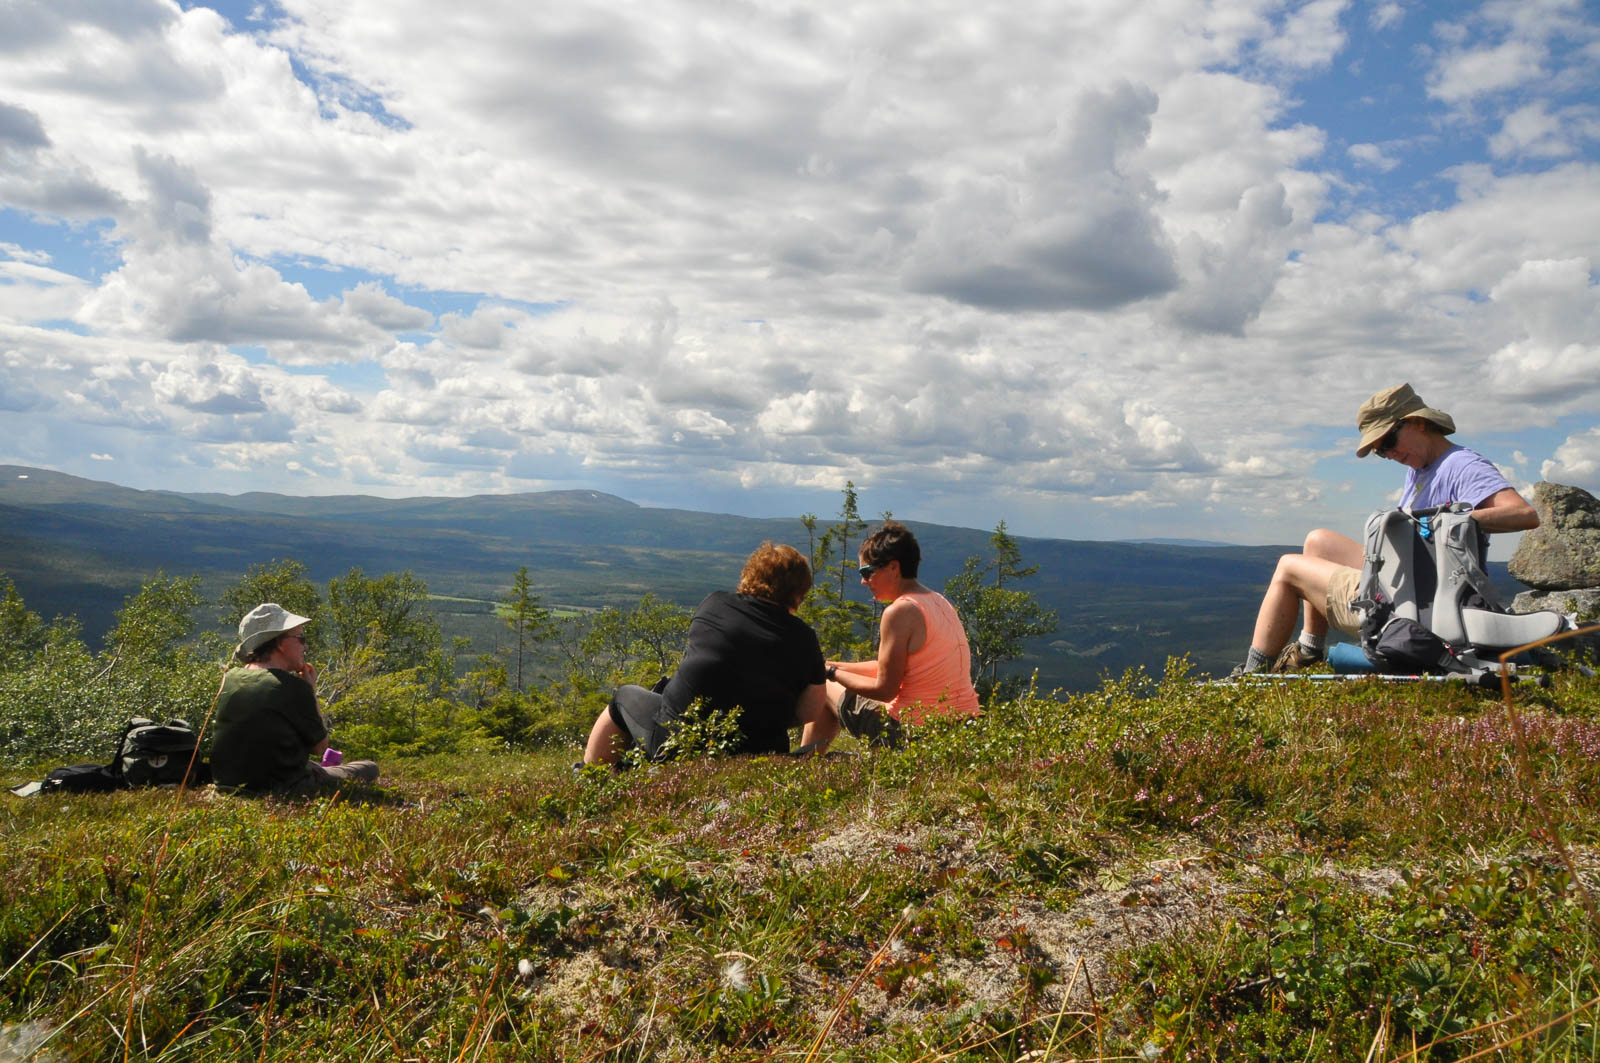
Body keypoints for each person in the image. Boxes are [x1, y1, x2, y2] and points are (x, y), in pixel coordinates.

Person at [1232, 383, 1539, 676]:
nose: (1389, 454)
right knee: (1317, 542)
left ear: (1418, 422)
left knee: (1288, 568)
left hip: (1421, 603)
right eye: (1380, 451)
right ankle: (1309, 651)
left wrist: (1454, 520)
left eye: (1388, 442)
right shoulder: (1419, 469)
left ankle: (1250, 673)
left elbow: (1524, 514)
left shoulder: (1462, 465)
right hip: (1411, 583)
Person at [583, 542, 838, 765]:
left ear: (751, 575)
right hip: (762, 754)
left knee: (622, 698)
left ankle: (591, 778)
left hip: (677, 743)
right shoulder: (805, 638)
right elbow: (811, 711)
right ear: (799, 592)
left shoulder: (715, 603)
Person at [825, 521, 980, 744]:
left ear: (893, 568)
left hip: (910, 733)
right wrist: (832, 665)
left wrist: (831, 674)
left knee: (823, 686)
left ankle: (807, 761)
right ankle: (808, 761)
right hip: (960, 731)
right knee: (826, 676)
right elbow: (888, 668)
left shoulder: (899, 611)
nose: (863, 581)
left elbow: (885, 689)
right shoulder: (939, 602)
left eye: (867, 572)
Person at [210, 603, 379, 794]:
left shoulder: (230, 678)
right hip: (282, 786)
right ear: (280, 644)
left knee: (314, 765)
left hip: (228, 785)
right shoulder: (292, 687)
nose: (305, 646)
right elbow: (320, 746)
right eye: (300, 638)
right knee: (368, 768)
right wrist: (310, 691)